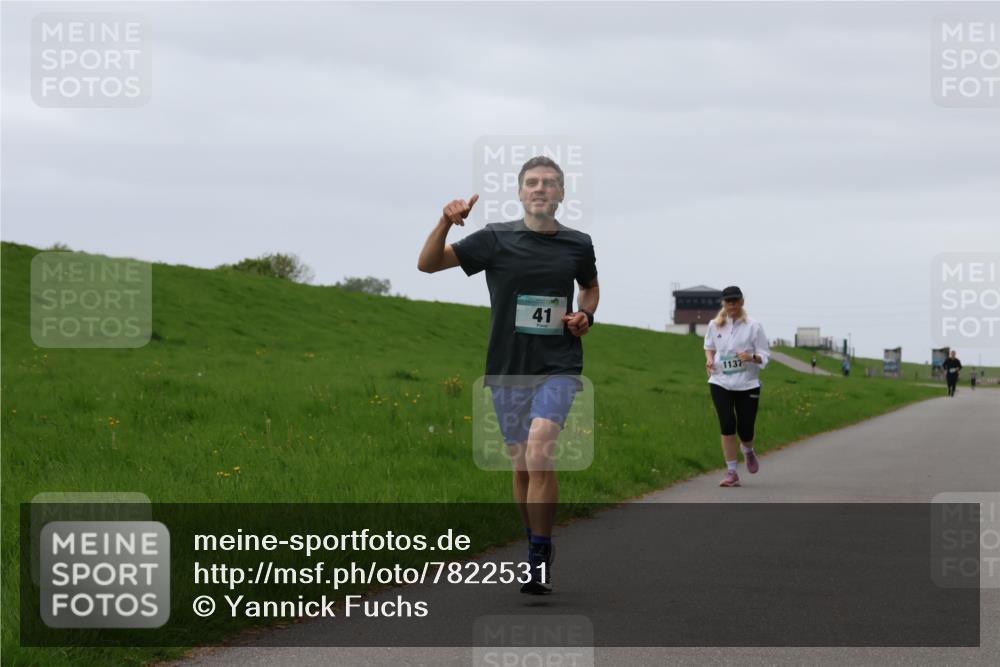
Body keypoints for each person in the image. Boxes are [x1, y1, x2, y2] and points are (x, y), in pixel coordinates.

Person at [417, 156, 599, 594]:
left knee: (539, 451)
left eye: (550, 183)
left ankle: (538, 554)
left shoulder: (578, 243)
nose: (540, 188)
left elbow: (589, 287)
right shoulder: (496, 238)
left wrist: (585, 316)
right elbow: (427, 264)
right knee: (520, 464)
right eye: (532, 183)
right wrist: (445, 221)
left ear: (561, 194)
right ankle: (535, 541)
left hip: (559, 364)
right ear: (520, 192)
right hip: (507, 368)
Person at [703, 286, 770, 487]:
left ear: (741, 302)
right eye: (728, 301)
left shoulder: (754, 326)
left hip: (747, 384)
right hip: (720, 381)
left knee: (746, 428)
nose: (731, 304)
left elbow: (765, 354)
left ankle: (748, 450)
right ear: (723, 303)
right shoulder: (714, 325)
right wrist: (709, 360)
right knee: (727, 424)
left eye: (735, 301)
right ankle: (732, 472)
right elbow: (709, 346)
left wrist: (752, 357)